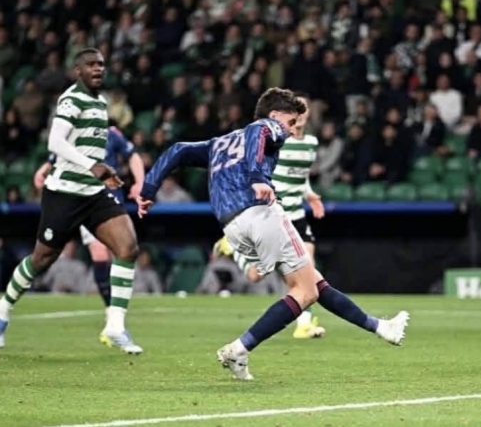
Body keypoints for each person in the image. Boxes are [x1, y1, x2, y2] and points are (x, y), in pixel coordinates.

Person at [137, 88, 409, 380]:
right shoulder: (265, 127)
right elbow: (261, 132)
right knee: (306, 291)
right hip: (261, 214)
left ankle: (381, 328)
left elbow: (178, 150)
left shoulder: (221, 143)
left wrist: (148, 189)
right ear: (275, 115)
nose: (292, 130)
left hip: (232, 225)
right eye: (291, 122)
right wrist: (257, 177)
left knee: (313, 283)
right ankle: (240, 348)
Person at [0, 48, 143, 353]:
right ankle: (3, 310)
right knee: (42, 259)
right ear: (77, 71)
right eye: (91, 65)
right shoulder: (71, 99)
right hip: (64, 193)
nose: (98, 69)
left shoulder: (100, 102)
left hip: (93, 192)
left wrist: (103, 173)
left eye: (101, 64)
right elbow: (55, 142)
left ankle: (115, 326)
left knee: (128, 247)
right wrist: (92, 166)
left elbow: (87, 146)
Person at [213, 93, 327, 339]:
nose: (300, 117)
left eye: (304, 111)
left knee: (308, 268)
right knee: (256, 275)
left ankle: (304, 324)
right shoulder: (276, 140)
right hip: (275, 213)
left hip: (297, 214)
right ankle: (231, 247)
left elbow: (301, 176)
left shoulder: (311, 143)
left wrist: (310, 195)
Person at [33, 124, 145, 338]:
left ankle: (117, 311)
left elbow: (133, 155)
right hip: (84, 202)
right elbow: (56, 156)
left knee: (122, 253)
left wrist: (139, 182)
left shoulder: (112, 133)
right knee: (99, 253)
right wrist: (43, 170)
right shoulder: (72, 134)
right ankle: (111, 311)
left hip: (110, 203)